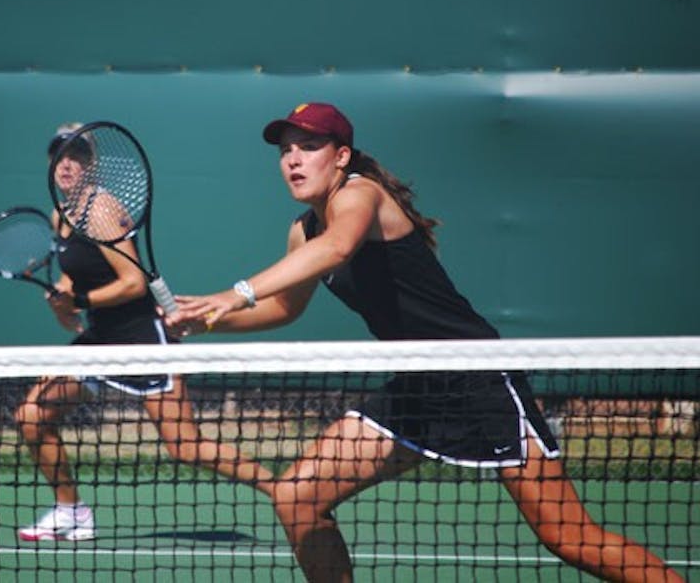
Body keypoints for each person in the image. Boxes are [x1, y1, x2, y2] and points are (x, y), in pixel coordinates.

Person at [165, 103, 683, 582]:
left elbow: (339, 246)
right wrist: (205, 320)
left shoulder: (360, 194)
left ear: (341, 156)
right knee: (297, 495)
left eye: (309, 147)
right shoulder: (302, 232)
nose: (294, 160)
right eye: (285, 151)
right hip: (417, 386)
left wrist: (234, 294)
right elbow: (285, 308)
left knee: (567, 537)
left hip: (477, 377)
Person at [14, 123, 275, 542]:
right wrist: (62, 297)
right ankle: (71, 511)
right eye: (59, 154)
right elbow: (72, 276)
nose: (66, 163)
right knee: (33, 415)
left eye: (77, 155)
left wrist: (80, 303)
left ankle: (285, 490)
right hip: (100, 339)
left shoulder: (101, 210)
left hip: (142, 339)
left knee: (184, 446)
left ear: (91, 165)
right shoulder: (58, 214)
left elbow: (133, 283)